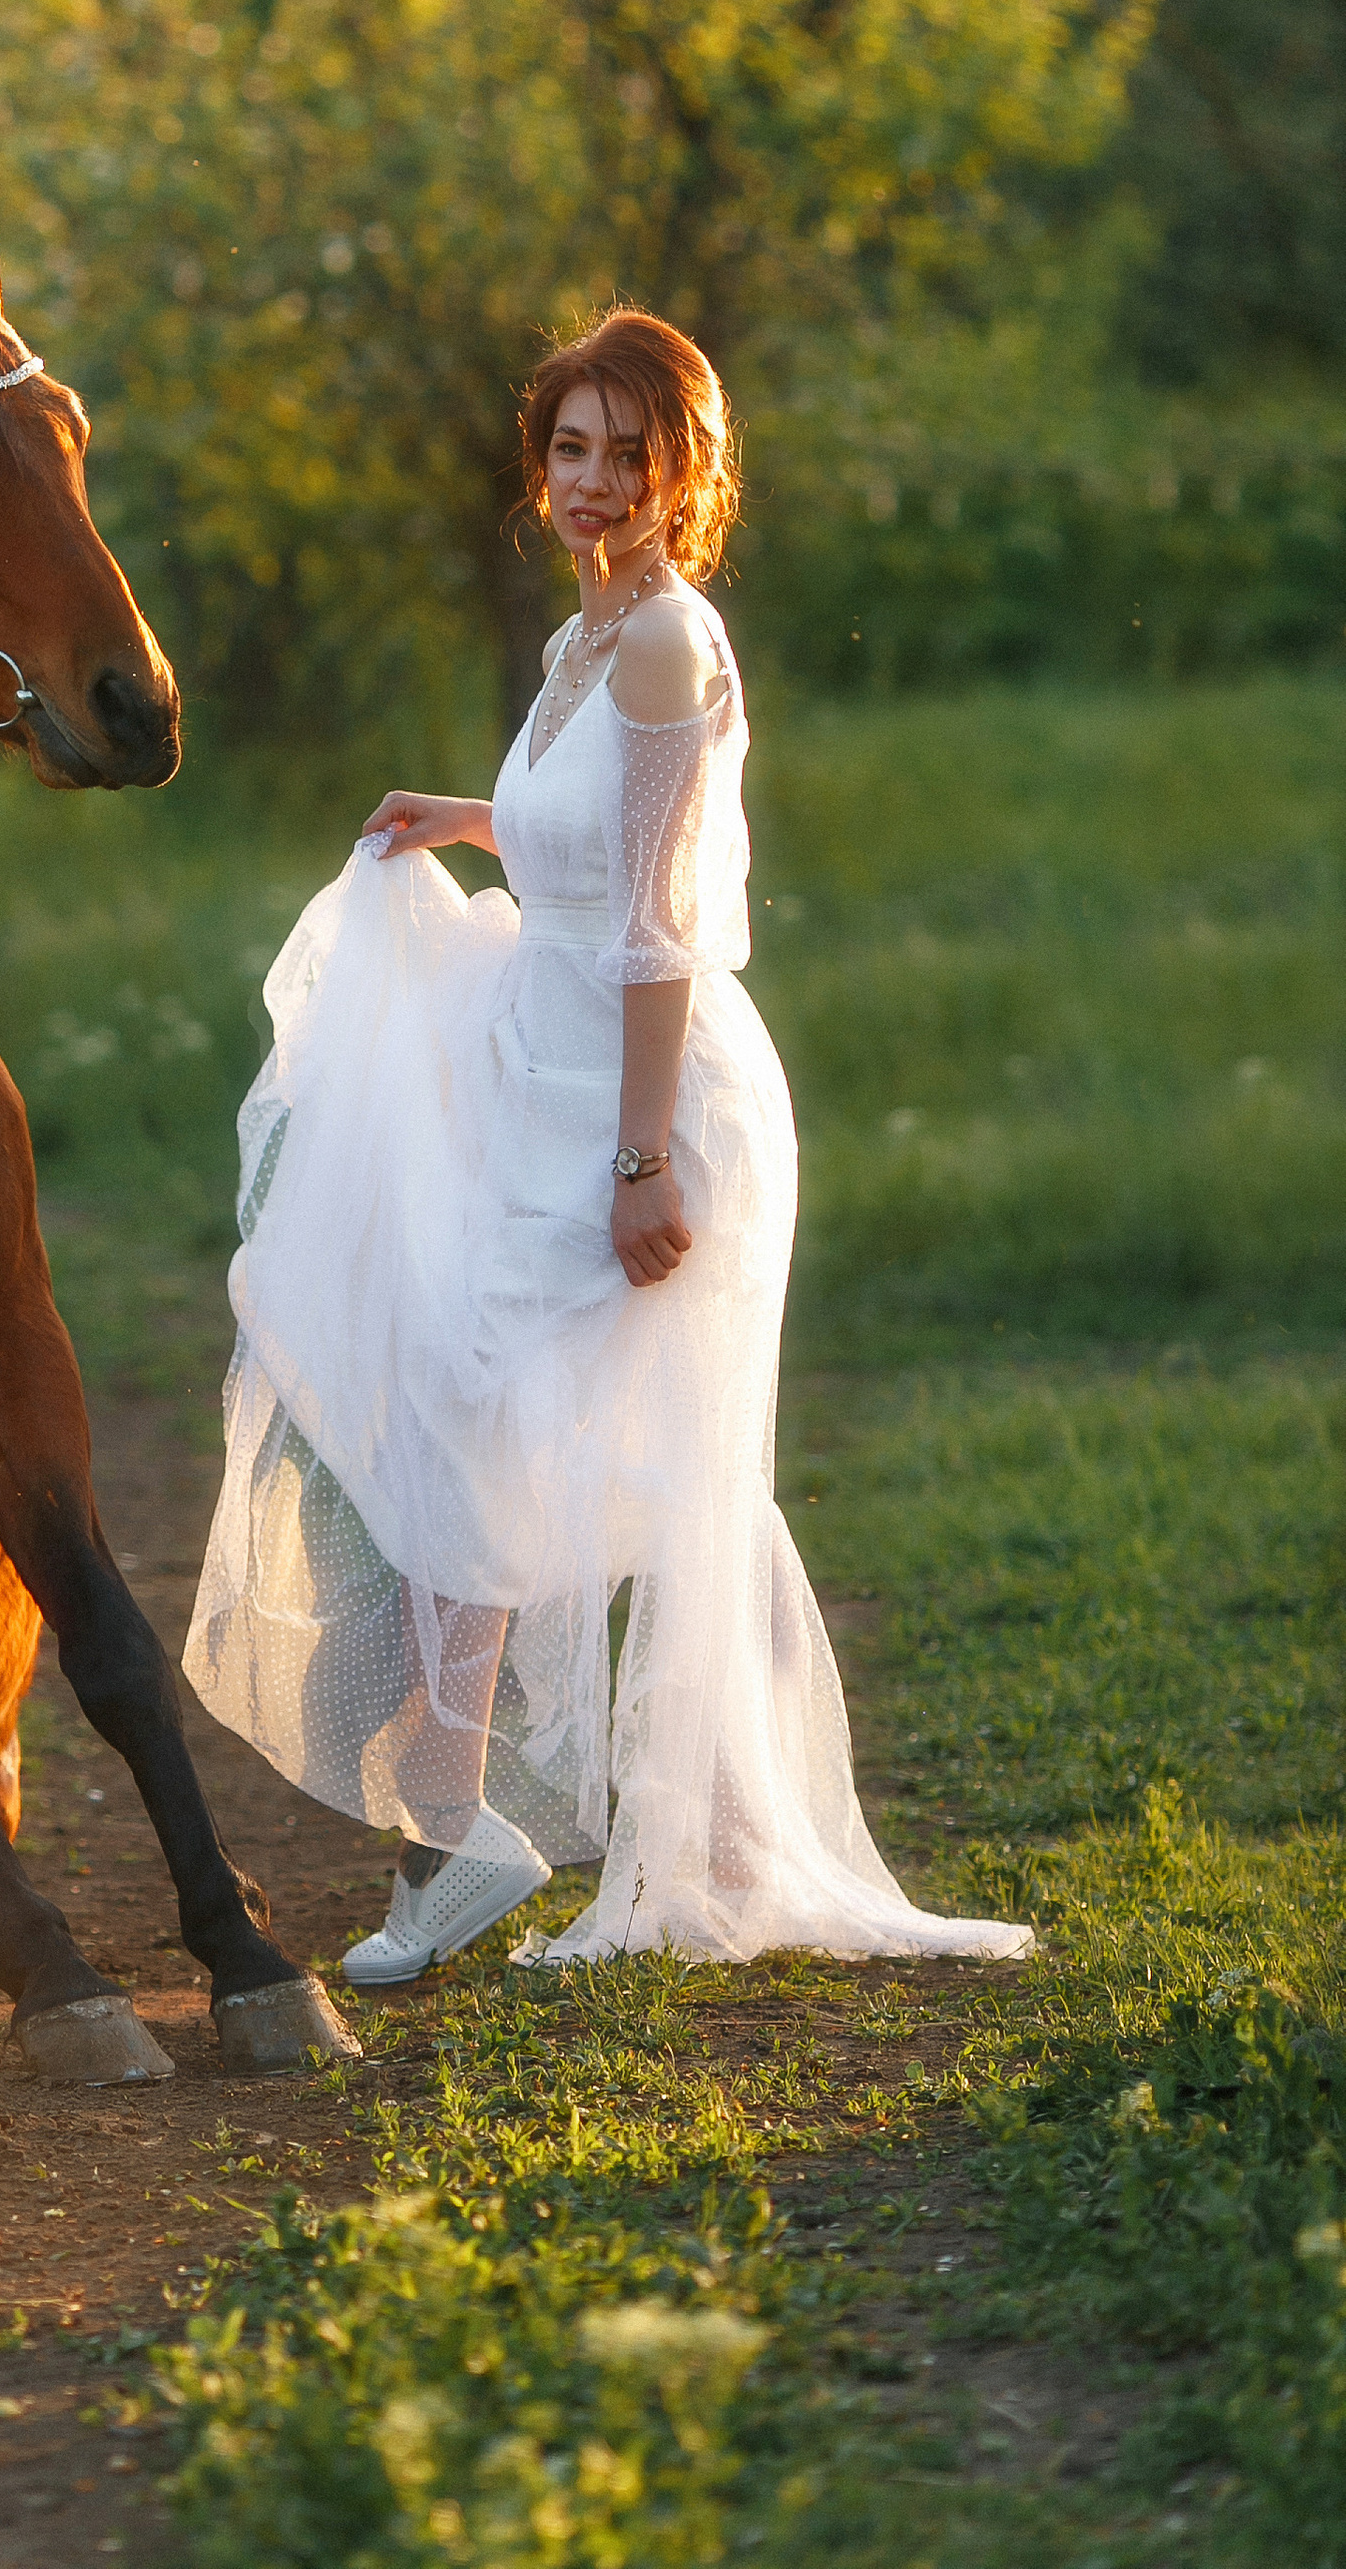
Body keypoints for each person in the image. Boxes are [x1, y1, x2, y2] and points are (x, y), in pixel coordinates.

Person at [183, 311, 1033, 1981]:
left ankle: (606, 1842)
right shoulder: (593, 635)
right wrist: (462, 816)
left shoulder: (662, 643)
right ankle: (459, 1836)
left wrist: (642, 1164)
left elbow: (653, 930)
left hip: (646, 1091)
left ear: (683, 469)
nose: (590, 482)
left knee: (564, 1442)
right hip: (552, 1057)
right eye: (568, 448)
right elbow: (585, 849)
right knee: (458, 1411)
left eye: (626, 454)